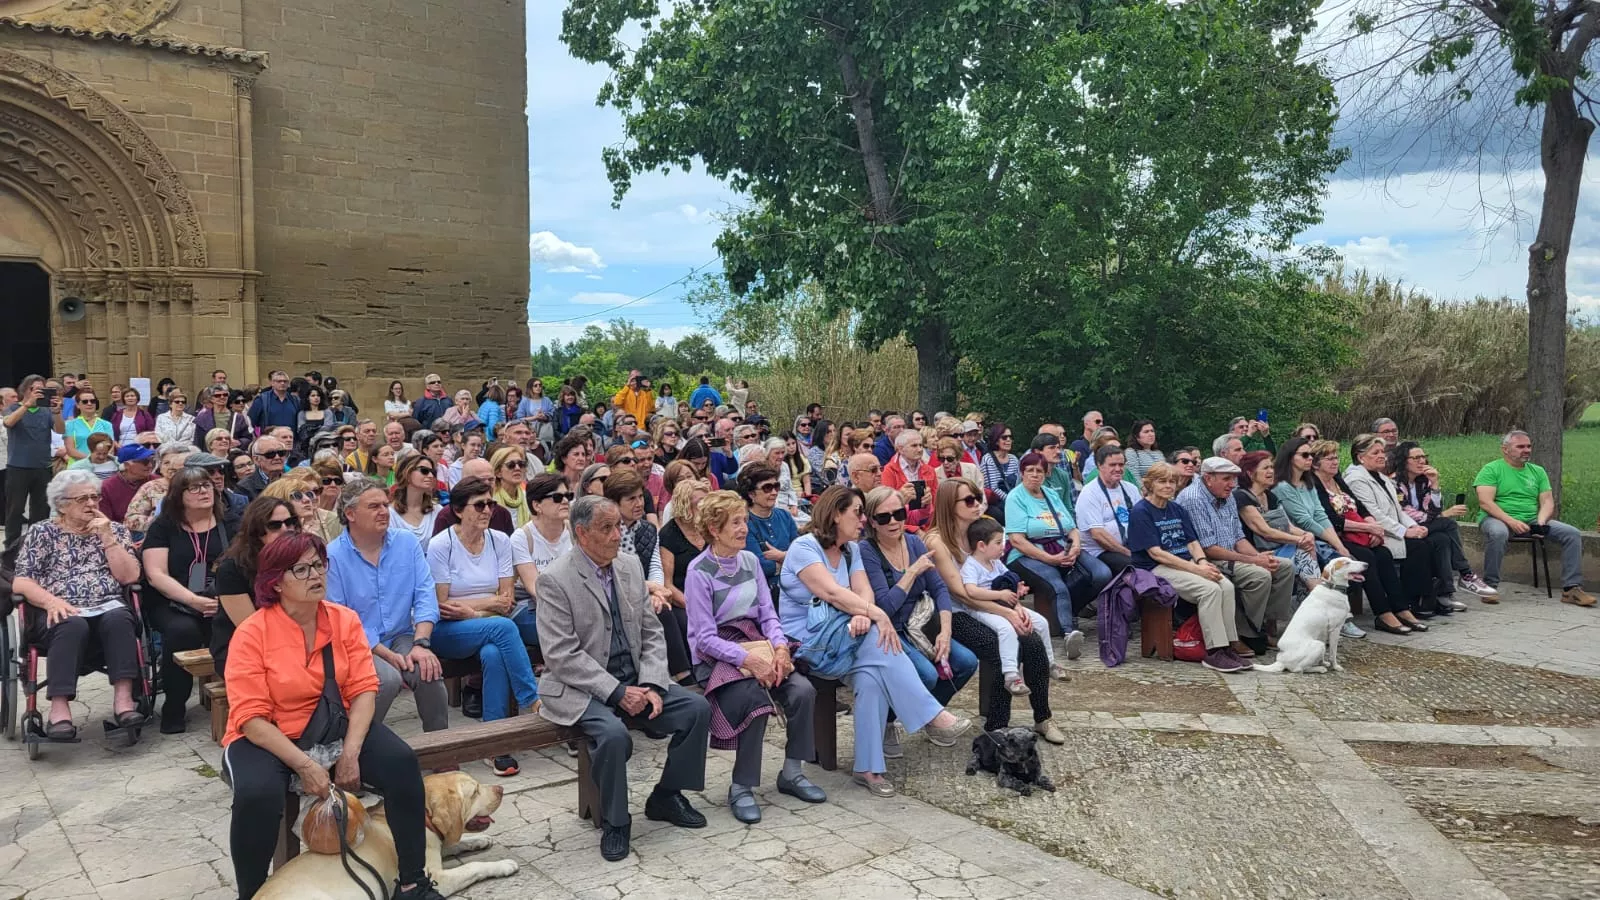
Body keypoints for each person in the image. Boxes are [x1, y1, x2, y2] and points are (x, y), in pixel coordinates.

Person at [223, 533, 448, 900]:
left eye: (319, 565)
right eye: (301, 569)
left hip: (333, 723)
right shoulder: (252, 633)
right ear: (275, 582)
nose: (315, 575)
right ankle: (251, 894)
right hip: (269, 736)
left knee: (402, 763)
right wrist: (305, 766)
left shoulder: (343, 620)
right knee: (256, 795)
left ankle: (412, 882)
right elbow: (251, 719)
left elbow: (364, 690)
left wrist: (351, 752)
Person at [534, 495, 713, 861]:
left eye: (618, 526)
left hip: (635, 677)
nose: (618, 535)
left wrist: (651, 684)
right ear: (582, 533)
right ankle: (616, 821)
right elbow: (561, 655)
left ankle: (666, 796)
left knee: (696, 709)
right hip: (581, 687)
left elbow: (651, 632)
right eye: (607, 528)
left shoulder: (629, 566)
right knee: (614, 735)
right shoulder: (555, 579)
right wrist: (617, 692)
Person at [779, 485, 971, 797]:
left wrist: (865, 613)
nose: (863, 520)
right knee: (878, 637)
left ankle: (867, 769)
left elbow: (863, 591)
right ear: (836, 514)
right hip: (809, 643)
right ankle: (931, 714)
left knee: (871, 677)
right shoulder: (804, 547)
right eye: (858, 513)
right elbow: (831, 592)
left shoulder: (851, 550)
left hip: (846, 636)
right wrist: (875, 616)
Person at [685, 490, 824, 823]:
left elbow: (767, 614)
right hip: (716, 656)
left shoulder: (749, 561)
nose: (744, 528)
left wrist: (780, 648)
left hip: (756, 642)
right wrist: (747, 660)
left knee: (802, 691)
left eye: (744, 520)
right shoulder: (698, 571)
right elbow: (705, 638)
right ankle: (741, 787)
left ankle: (792, 773)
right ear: (714, 529)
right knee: (754, 702)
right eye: (735, 522)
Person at [921, 478, 1061, 742]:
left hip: (989, 605)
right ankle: (997, 724)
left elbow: (1000, 577)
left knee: (1031, 639)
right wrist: (1007, 612)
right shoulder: (938, 541)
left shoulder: (977, 530)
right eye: (969, 500)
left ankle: (1043, 717)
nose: (977, 504)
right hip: (952, 613)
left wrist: (1015, 606)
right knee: (997, 644)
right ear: (949, 505)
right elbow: (961, 592)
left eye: (978, 498)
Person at [12, 468, 145, 738]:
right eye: (82, 499)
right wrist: (50, 601)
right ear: (62, 505)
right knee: (70, 623)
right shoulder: (43, 532)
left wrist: (107, 538)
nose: (92, 504)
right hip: (60, 609)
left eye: (95, 497)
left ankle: (124, 701)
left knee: (120, 618)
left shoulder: (114, 529)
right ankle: (59, 709)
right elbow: (22, 581)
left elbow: (129, 576)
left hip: (107, 605)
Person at [427, 477, 541, 774]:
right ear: (458, 510)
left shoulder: (499, 540)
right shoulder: (441, 545)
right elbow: (442, 604)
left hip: (486, 623)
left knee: (494, 652)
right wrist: (488, 605)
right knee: (503, 628)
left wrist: (472, 610)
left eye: (490, 503)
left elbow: (506, 599)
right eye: (479, 505)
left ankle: (494, 742)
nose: (488, 510)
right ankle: (532, 700)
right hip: (446, 630)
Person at [325, 477, 451, 736]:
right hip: (357, 644)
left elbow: (425, 594)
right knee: (386, 679)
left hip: (402, 634)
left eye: (385, 504)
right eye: (374, 506)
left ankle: (440, 746)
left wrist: (421, 644)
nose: (384, 511)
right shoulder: (332, 556)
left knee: (427, 670)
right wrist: (385, 654)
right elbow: (340, 618)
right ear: (350, 514)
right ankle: (360, 745)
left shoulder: (406, 542)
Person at [858, 486, 980, 702]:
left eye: (899, 514)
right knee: (927, 675)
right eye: (884, 517)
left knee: (967, 662)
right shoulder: (868, 550)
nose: (894, 522)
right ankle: (901, 714)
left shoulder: (914, 542)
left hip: (923, 622)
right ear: (873, 522)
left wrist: (945, 632)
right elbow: (885, 607)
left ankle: (928, 714)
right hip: (893, 628)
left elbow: (939, 588)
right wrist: (912, 572)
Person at [1126, 463, 1249, 672]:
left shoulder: (1176, 509)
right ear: (1150, 484)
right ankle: (1214, 651)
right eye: (1162, 481)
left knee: (1226, 586)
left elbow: (1192, 542)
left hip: (1184, 562)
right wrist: (1197, 570)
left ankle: (1229, 645)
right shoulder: (1141, 512)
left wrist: (1202, 562)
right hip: (1154, 568)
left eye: (1172, 482)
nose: (1168, 486)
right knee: (1209, 590)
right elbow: (1156, 553)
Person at [1298, 439, 1425, 635]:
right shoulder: (1314, 484)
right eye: (1329, 459)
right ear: (1316, 464)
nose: (1335, 462)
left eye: (1336, 457)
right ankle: (1383, 613)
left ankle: (1401, 608)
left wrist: (1373, 527)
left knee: (1383, 553)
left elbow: (1361, 507)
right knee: (1367, 558)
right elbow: (1331, 520)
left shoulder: (1337, 480)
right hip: (1334, 537)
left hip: (1358, 533)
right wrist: (1368, 528)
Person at [1175, 457, 1294, 658]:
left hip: (1230, 555)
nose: (1232, 484)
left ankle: (1265, 625)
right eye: (1226, 479)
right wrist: (1254, 561)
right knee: (1259, 576)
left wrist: (1259, 557)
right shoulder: (1194, 498)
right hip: (1205, 559)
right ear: (1208, 478)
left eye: (1234, 479)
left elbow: (1238, 537)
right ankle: (1243, 632)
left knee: (1284, 566)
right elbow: (1208, 549)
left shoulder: (1227, 495)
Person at [142, 466, 231, 732]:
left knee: (239, 626)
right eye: (194, 487)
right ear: (178, 495)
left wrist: (225, 600)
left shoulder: (230, 522)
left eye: (207, 485)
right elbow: (156, 574)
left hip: (221, 598)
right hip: (172, 601)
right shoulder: (163, 527)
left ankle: (240, 700)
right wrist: (193, 600)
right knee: (183, 632)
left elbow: (243, 565)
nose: (204, 491)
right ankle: (174, 705)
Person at [1005, 451, 1109, 656]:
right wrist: (1050, 559)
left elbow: (1072, 528)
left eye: (1039, 471)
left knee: (1101, 574)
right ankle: (1069, 633)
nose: (1035, 475)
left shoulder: (1051, 494)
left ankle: (1069, 608)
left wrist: (1076, 547)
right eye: (1030, 470)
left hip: (1062, 546)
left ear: (1045, 474)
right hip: (1027, 553)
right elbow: (1017, 540)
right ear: (1022, 473)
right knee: (1056, 584)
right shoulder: (1015, 497)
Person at [1473, 430, 1593, 607]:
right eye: (1520, 446)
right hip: (1496, 518)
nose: (1527, 450)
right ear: (1505, 449)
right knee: (1498, 533)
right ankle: (1489, 587)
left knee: (1572, 533)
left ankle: (1571, 589)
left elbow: (1547, 501)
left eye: (1528, 446)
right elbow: (1485, 502)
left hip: (1531, 520)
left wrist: (1541, 522)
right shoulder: (1491, 469)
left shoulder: (1537, 471)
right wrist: (1511, 521)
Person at [1344, 434, 1448, 618]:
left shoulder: (1381, 477)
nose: (1381, 456)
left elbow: (1398, 510)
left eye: (1382, 452)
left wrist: (1413, 526)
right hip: (1377, 533)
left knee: (1434, 539)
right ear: (1361, 457)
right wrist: (1404, 532)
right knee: (1417, 546)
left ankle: (1430, 596)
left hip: (1393, 529)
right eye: (1375, 453)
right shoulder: (1356, 480)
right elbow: (1374, 514)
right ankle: (1412, 601)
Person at [961, 517, 1059, 693]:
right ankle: (1011, 674)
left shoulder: (995, 562)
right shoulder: (971, 565)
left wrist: (1018, 588)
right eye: (998, 543)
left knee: (1041, 623)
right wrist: (1000, 594)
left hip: (1005, 605)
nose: (1003, 547)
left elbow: (1010, 578)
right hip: (983, 609)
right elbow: (971, 591)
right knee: (1006, 629)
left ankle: (1049, 662)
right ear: (981, 545)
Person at [1390, 440, 1497, 601]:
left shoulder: (1423, 480)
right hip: (1403, 529)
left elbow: (1434, 509)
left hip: (1424, 527)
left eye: (1424, 457)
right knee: (1448, 524)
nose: (1422, 461)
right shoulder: (1394, 483)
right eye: (1416, 458)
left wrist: (1435, 483)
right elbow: (1406, 513)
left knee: (1442, 539)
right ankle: (1466, 574)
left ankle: (1445, 594)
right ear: (1403, 461)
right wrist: (1442, 515)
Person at [214, 497, 300, 679]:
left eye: (290, 522)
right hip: (244, 646)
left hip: (295, 640)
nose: (286, 529)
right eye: (275, 525)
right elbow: (250, 627)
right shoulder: (232, 568)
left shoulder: (302, 559)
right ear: (257, 531)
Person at [1234, 451, 1322, 599]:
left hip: (1280, 548)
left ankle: (1311, 596)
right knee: (1303, 551)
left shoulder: (1270, 496)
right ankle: (1317, 596)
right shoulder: (1241, 496)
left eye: (1271, 467)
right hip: (1257, 551)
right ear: (1250, 473)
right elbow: (1265, 531)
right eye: (1265, 468)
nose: (1271, 471)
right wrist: (1299, 540)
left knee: (1307, 547)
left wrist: (1307, 535)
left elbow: (1289, 527)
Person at [656, 477, 710, 684]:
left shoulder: (708, 528)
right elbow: (667, 583)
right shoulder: (669, 534)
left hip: (711, 592)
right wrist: (694, 605)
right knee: (688, 621)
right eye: (699, 503)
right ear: (685, 505)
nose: (704, 507)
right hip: (682, 596)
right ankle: (693, 672)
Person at [510, 474, 574, 648]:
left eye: (568, 496)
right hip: (534, 607)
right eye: (557, 497)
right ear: (536, 505)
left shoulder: (575, 532)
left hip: (572, 605)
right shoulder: (522, 537)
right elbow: (535, 587)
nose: (565, 501)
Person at [1073, 444, 1138, 574]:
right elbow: (1098, 535)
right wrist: (1128, 553)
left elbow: (1142, 520)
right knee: (1134, 565)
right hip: (1101, 550)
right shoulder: (1090, 493)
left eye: (1121, 465)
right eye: (1112, 465)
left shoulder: (1131, 489)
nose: (1118, 469)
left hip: (1131, 545)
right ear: (1099, 465)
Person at [737, 461, 798, 597]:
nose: (774, 492)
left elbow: (802, 552)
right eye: (767, 488)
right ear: (751, 494)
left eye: (776, 486)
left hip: (794, 584)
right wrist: (792, 560)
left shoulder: (785, 516)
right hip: (764, 592)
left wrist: (782, 556)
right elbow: (760, 567)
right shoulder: (744, 523)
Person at [124, 442, 196, 536]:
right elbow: (130, 520)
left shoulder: (196, 485)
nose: (171, 467)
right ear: (160, 467)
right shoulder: (150, 488)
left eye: (177, 463)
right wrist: (161, 522)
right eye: (166, 463)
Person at [880, 428, 937, 532]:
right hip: (900, 527)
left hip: (927, 526)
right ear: (900, 449)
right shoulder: (889, 471)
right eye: (914, 446)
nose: (920, 449)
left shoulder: (930, 470)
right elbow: (885, 508)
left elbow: (935, 503)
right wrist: (900, 498)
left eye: (921, 445)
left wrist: (928, 504)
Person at [98, 443, 157, 523]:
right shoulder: (107, 487)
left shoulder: (157, 481)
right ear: (127, 465)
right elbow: (105, 521)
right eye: (145, 462)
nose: (150, 465)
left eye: (151, 460)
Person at [389, 453, 440, 544]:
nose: (431, 476)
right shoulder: (389, 513)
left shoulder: (437, 510)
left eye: (433, 472)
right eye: (424, 470)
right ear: (407, 474)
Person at [979, 422, 1020, 516]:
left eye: (1010, 437)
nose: (1008, 440)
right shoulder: (988, 459)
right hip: (998, 503)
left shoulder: (1013, 459)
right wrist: (1011, 500)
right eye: (1004, 437)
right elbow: (993, 488)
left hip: (1014, 499)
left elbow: (1018, 482)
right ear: (996, 440)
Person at [62, 387, 112, 461]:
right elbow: (70, 450)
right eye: (85, 401)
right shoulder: (70, 425)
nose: (89, 403)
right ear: (78, 405)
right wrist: (92, 460)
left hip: (102, 464)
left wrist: (99, 460)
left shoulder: (106, 424)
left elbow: (111, 448)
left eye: (92, 401)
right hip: (78, 465)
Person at [490, 445, 532, 528]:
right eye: (511, 465)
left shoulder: (528, 497)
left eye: (521, 464)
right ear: (498, 472)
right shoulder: (490, 500)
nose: (517, 468)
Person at [236, 435, 288, 500]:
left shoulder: (294, 480)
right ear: (256, 459)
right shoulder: (244, 488)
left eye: (281, 453)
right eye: (270, 454)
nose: (277, 457)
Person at [1124, 419, 1163, 484]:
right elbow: (1134, 476)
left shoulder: (1158, 453)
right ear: (1137, 436)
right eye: (1146, 432)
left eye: (1152, 431)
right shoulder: (1131, 452)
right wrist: (1143, 488)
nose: (1151, 434)